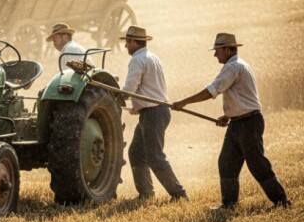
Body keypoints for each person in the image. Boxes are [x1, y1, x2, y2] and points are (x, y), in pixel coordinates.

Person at [172, 33, 290, 209]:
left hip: (248, 123)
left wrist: (184, 102)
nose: (215, 55)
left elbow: (212, 90)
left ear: (227, 49)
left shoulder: (233, 67)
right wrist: (227, 116)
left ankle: (282, 202)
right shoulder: (238, 65)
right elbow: (241, 95)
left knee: (257, 164)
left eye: (217, 50)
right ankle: (229, 204)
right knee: (226, 163)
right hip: (238, 122)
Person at [120, 25, 187, 200]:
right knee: (136, 152)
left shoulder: (137, 60)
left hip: (154, 113)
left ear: (134, 42)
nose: (126, 46)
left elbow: (130, 88)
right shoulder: (153, 57)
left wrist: (115, 95)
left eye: (127, 42)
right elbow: (149, 88)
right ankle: (146, 193)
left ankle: (179, 194)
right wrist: (138, 106)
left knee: (155, 156)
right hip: (153, 111)